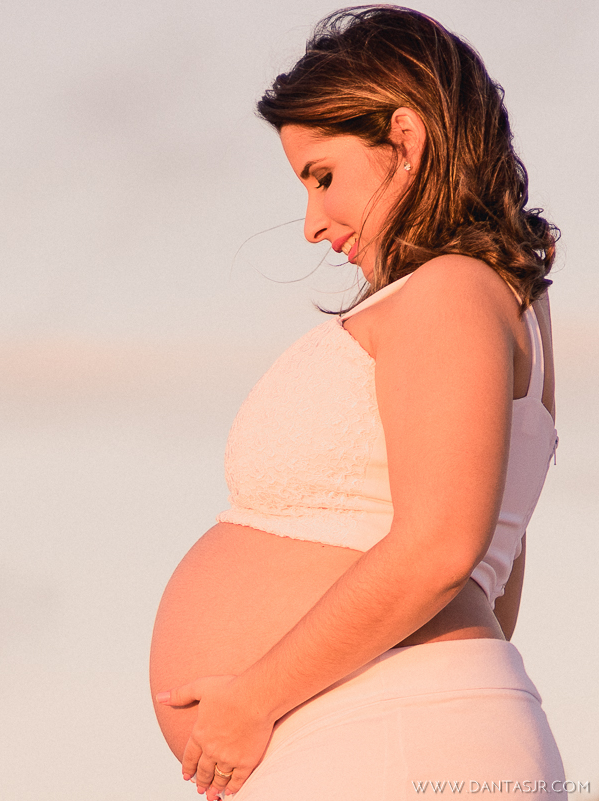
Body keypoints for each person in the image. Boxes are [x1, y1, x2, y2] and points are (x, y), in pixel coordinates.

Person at [148, 6, 564, 799]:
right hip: (386, 724)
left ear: (404, 140)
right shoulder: (496, 300)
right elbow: (495, 573)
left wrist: (255, 696)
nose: (311, 222)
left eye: (324, 176)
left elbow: (443, 546)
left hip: (385, 730)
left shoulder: (449, 293)